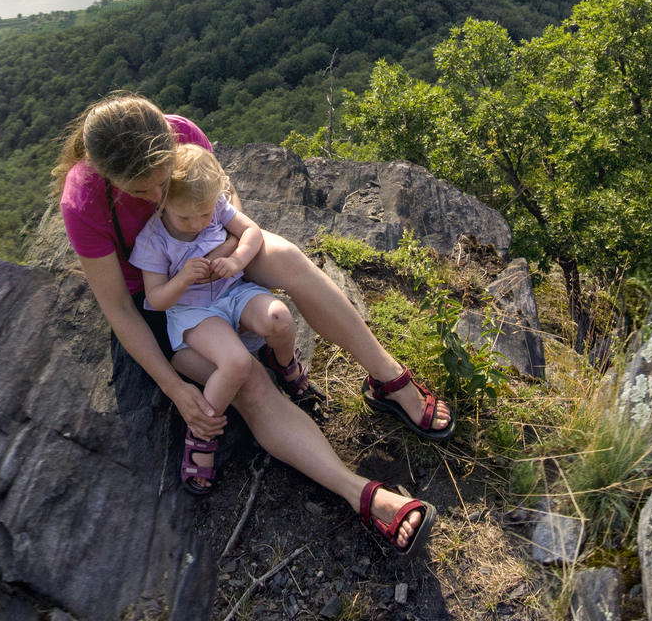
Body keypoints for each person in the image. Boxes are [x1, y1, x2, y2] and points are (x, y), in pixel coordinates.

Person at [53, 92, 449, 554]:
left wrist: (224, 254)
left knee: (289, 260)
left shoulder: (178, 130)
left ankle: (388, 379)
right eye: (141, 191)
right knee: (249, 381)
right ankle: (361, 493)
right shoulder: (84, 200)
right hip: (166, 296)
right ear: (106, 174)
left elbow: (226, 204)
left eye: (163, 181)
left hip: (216, 262)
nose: (157, 197)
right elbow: (119, 308)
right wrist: (177, 391)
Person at [128, 145, 299, 495]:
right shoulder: (152, 239)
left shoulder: (215, 206)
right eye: (185, 219)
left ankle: (284, 364)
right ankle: (202, 435)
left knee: (280, 318)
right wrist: (182, 279)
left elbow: (251, 232)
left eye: (204, 215)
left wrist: (236, 261)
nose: (196, 225)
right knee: (236, 362)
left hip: (232, 292)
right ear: (162, 204)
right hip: (192, 314)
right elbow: (155, 299)